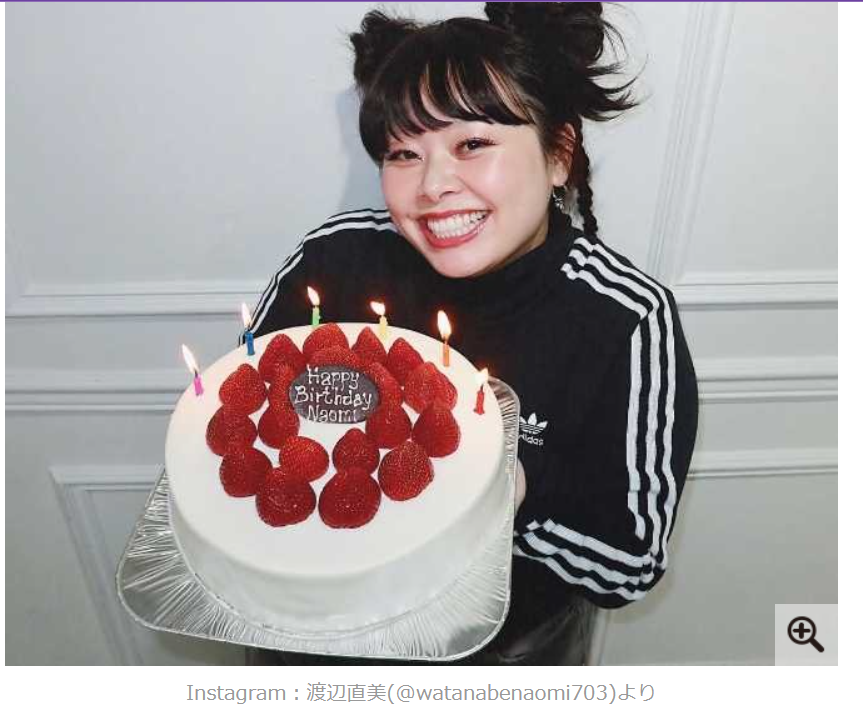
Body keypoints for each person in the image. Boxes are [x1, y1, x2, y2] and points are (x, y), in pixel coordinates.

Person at [245, 2, 698, 665]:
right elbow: (244, 427)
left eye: (472, 144)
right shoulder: (335, 261)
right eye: (404, 153)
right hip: (314, 633)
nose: (432, 185)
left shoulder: (623, 317)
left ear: (558, 155)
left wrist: (511, 492)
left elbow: (627, 565)